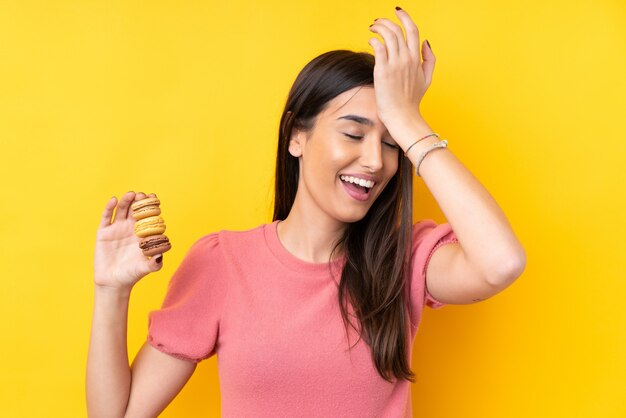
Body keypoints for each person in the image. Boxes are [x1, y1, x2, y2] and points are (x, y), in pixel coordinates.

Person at [86, 7, 526, 418]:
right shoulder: (222, 263)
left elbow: (501, 263)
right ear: (297, 136)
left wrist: (409, 119)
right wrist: (111, 291)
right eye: (354, 133)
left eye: (392, 144)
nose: (376, 160)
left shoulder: (403, 261)